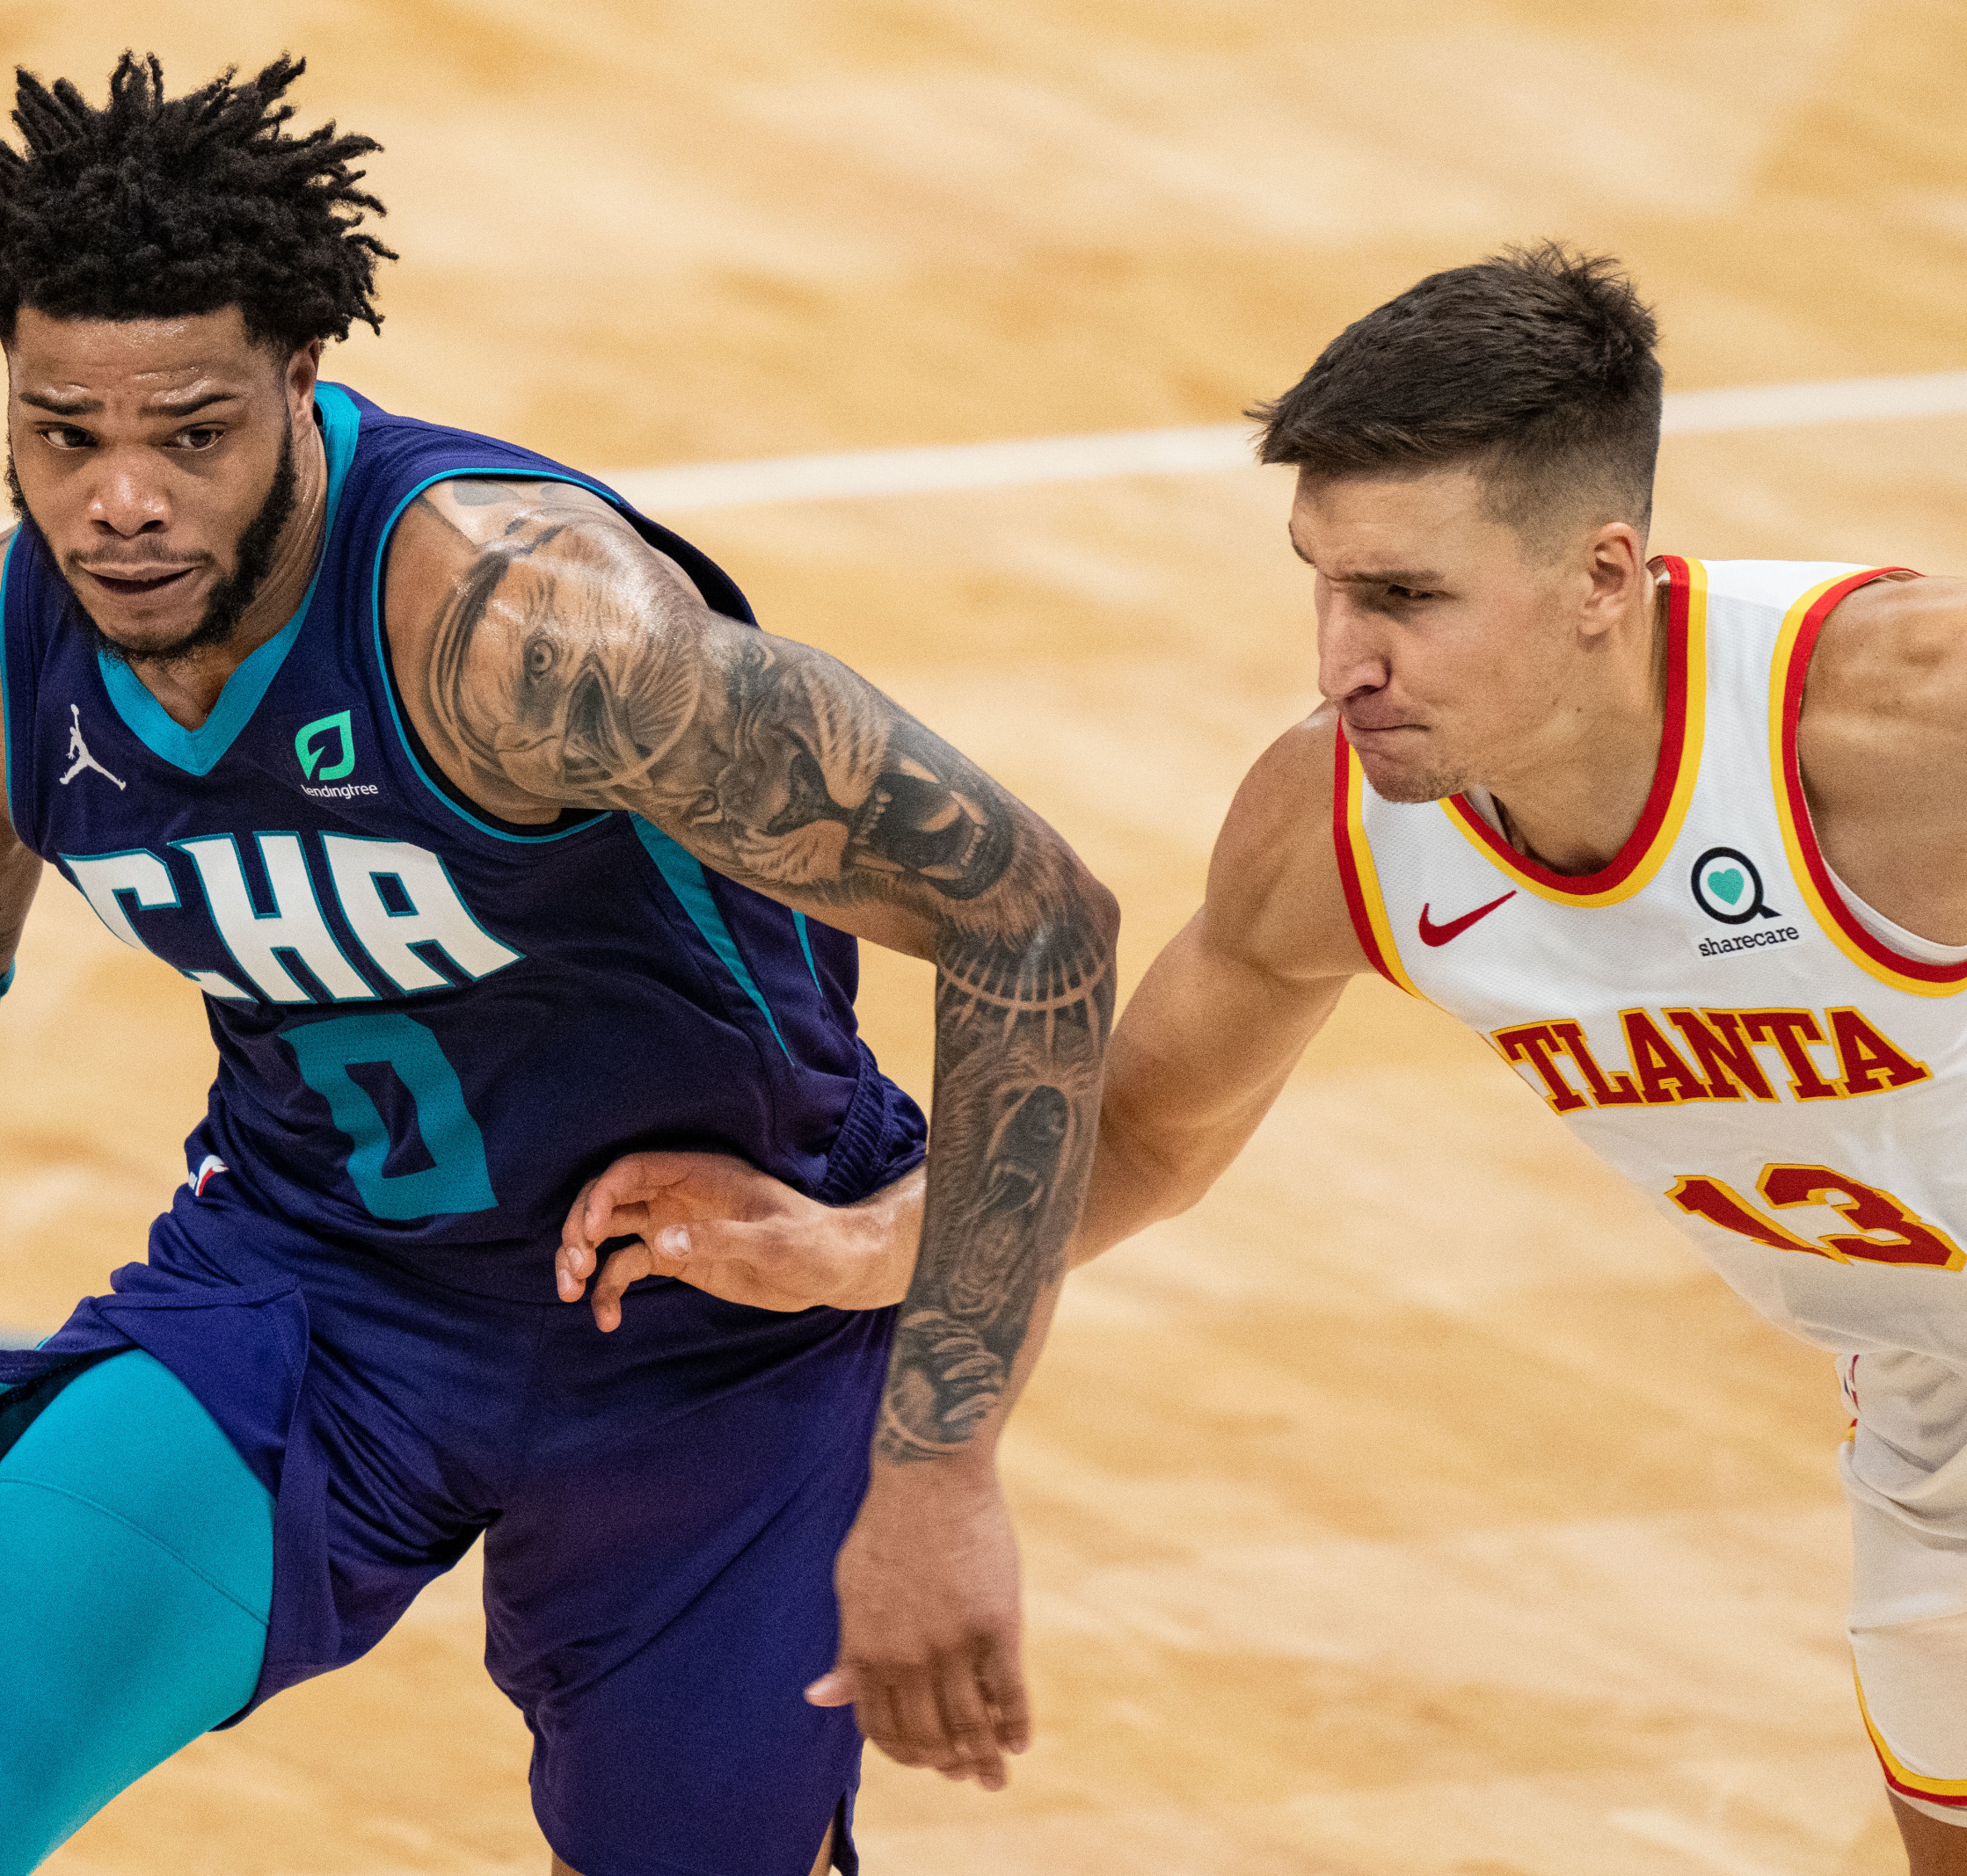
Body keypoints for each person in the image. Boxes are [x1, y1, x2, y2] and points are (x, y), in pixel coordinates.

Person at [0, 55, 1118, 1876]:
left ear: (299, 382)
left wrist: (941, 1460)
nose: (119, 500)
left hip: (707, 1329)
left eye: (188, 434)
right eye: (63, 433)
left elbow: (1032, 917)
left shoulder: (527, 631)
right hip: (315, 1300)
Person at [560, 244, 1967, 1872]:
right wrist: (856, 1246)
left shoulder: (1897, 729)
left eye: (1407, 597)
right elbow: (1146, 1128)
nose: (1340, 658)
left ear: (1603, 576)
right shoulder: (1341, 826)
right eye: (1326, 579)